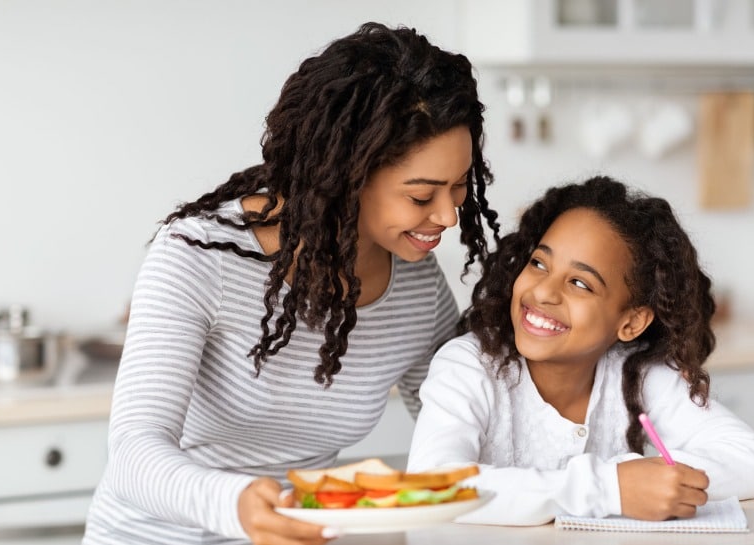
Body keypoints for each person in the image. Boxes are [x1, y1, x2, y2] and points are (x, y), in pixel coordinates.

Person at [83, 22, 500, 545]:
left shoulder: (415, 282)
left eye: (459, 188)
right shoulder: (198, 256)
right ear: (346, 175)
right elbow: (132, 453)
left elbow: (459, 425)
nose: (446, 215)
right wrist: (236, 507)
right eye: (421, 196)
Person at [406, 176, 754, 526]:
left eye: (580, 283)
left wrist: (652, 482)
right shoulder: (468, 366)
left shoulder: (639, 374)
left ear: (632, 322)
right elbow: (432, 486)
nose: (543, 292)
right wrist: (611, 489)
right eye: (539, 263)